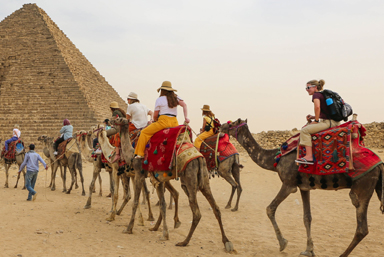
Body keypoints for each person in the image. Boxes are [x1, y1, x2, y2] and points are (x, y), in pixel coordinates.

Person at [134, 81, 190, 158]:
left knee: (144, 132)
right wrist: (186, 117)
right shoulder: (176, 98)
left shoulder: (159, 99)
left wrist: (154, 121)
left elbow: (155, 115)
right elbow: (184, 105)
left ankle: (140, 154)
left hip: (163, 122)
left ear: (162, 90)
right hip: (174, 122)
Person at [296, 79, 340, 165]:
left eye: (308, 87)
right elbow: (325, 111)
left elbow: (317, 107)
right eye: (306, 88)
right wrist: (313, 117)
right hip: (332, 121)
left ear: (315, 87)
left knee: (304, 131)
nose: (307, 89)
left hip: (328, 122)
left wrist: (316, 120)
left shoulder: (316, 95)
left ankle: (309, 156)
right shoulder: (323, 95)